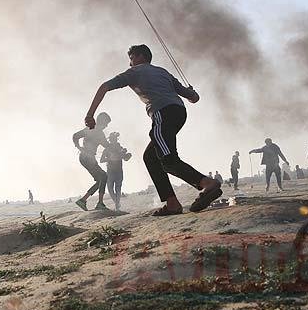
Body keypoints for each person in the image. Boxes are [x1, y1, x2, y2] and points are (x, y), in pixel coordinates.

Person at [82, 44, 221, 216]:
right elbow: (193, 98)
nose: (130, 64)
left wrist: (90, 114)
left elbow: (104, 86)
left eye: (131, 59)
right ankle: (172, 203)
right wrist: (191, 92)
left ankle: (208, 184)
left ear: (140, 57)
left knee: (168, 160)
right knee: (151, 157)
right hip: (179, 112)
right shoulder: (163, 72)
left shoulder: (134, 72)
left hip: (163, 113)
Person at [72, 112, 111, 211]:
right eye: (106, 124)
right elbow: (106, 145)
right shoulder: (98, 132)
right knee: (103, 176)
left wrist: (79, 148)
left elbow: (75, 136)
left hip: (85, 157)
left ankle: (83, 200)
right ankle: (100, 203)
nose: (106, 126)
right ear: (102, 122)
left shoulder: (89, 129)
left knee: (100, 179)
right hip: (88, 158)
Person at [100, 131, 132, 210]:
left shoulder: (120, 148)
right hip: (111, 171)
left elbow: (125, 158)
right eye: (112, 139)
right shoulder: (107, 149)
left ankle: (117, 205)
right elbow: (101, 160)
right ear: (110, 140)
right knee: (111, 189)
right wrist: (110, 158)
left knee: (117, 188)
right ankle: (117, 203)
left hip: (118, 171)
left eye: (114, 139)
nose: (114, 140)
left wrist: (127, 155)